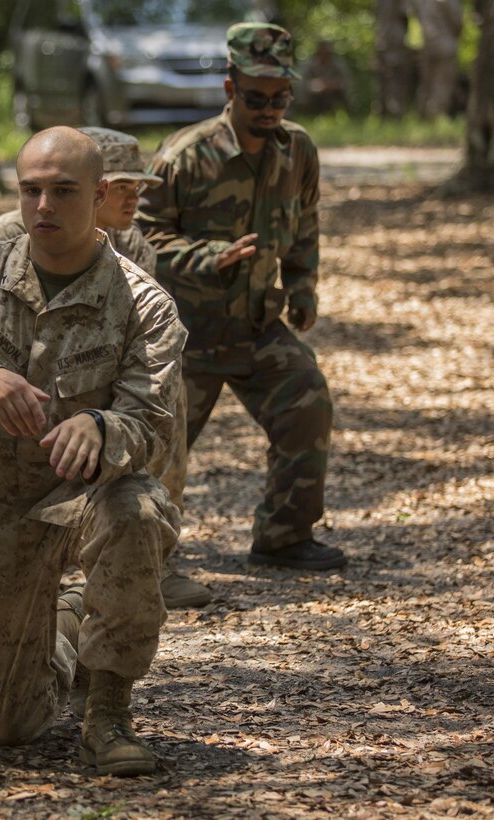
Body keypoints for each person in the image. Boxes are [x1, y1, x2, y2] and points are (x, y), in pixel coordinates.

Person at [0, 127, 185, 776]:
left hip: (92, 496)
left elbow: (155, 423)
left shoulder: (143, 303)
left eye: (63, 192)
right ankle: (64, 626)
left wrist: (102, 426)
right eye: (31, 192)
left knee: (137, 513)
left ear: (99, 194)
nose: (44, 207)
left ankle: (107, 713)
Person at [0, 126, 211, 608]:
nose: (134, 197)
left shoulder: (134, 248)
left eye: (139, 187)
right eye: (126, 187)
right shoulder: (5, 241)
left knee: (158, 410)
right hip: (0, 423)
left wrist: (104, 424)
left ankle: (151, 558)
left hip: (81, 407)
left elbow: (139, 363)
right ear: (100, 190)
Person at [137, 23, 345, 573]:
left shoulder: (297, 150)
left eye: (280, 97)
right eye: (256, 97)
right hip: (185, 334)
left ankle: (283, 536)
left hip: (256, 326)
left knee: (307, 401)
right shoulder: (185, 155)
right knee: (160, 450)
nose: (269, 109)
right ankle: (138, 558)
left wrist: (302, 287)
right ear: (231, 90)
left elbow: (305, 225)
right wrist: (209, 258)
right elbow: (140, 239)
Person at [409, 0, 463, 118]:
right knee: (442, 83)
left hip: (427, 44)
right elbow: (457, 22)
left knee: (426, 83)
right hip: (446, 45)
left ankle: (422, 116)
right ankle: (436, 117)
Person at [375, 0, 413, 117]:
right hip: (395, 42)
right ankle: (395, 112)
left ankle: (384, 111)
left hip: (382, 40)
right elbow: (405, 15)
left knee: (385, 78)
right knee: (396, 78)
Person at [297, 39, 353, 114]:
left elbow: (347, 81)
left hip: (333, 95)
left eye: (327, 53)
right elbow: (301, 83)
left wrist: (334, 85)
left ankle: (341, 112)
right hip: (314, 97)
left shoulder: (338, 64)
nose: (325, 55)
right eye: (322, 52)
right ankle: (309, 112)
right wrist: (316, 85)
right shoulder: (309, 64)